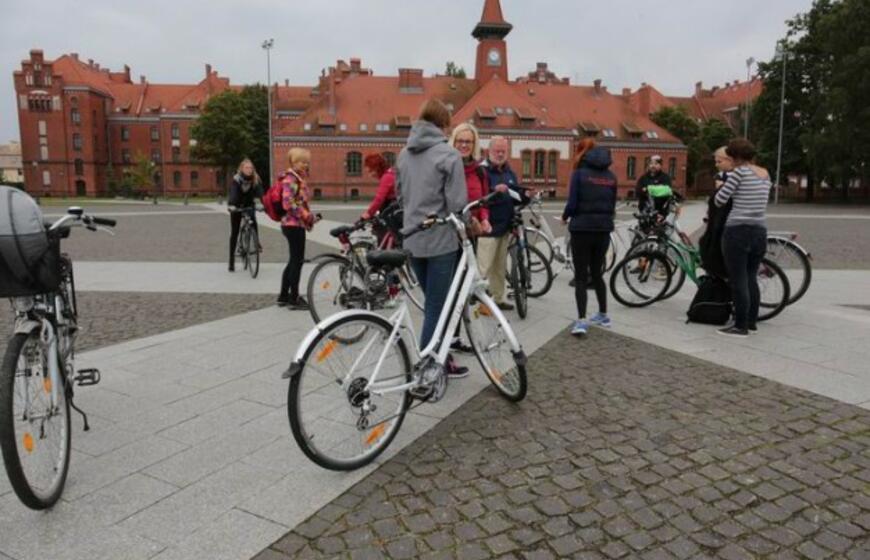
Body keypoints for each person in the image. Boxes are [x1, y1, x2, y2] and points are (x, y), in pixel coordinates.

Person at [396, 99, 469, 377]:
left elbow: (400, 196)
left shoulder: (404, 154)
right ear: (443, 125)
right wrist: (468, 226)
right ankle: (427, 368)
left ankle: (442, 357)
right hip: (440, 241)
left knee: (434, 303)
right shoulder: (448, 155)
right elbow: (456, 203)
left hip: (412, 240)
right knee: (438, 306)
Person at [714, 138, 771, 337]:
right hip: (759, 231)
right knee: (751, 277)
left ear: (736, 157)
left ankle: (740, 326)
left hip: (737, 230)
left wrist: (721, 185)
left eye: (731, 156)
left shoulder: (739, 172)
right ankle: (752, 323)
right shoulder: (765, 173)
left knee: (738, 280)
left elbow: (720, 200)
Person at [562, 138, 617, 336]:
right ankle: (603, 314)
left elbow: (573, 203)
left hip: (581, 229)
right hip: (603, 230)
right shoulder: (611, 176)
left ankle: (582, 320)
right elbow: (612, 205)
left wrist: (565, 217)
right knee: (597, 273)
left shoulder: (579, 174)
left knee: (580, 277)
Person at [478, 136, 526, 311]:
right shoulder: (482, 171)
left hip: (505, 228)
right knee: (484, 268)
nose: (500, 154)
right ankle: (481, 303)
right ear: (489, 151)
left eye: (503, 151)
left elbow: (515, 195)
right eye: (497, 150)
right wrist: (493, 191)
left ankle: (498, 299)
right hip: (488, 228)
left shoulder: (509, 172)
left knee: (499, 267)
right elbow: (478, 197)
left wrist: (525, 195)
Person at [277, 148, 316, 310]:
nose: (305, 164)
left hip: (294, 224)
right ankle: (294, 297)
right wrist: (305, 215)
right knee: (297, 261)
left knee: (293, 260)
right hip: (293, 225)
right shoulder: (290, 179)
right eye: (301, 161)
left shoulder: (297, 178)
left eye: (306, 162)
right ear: (293, 161)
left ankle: (284, 295)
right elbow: (288, 203)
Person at [698, 147, 734, 279]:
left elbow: (720, 200)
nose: (716, 165)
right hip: (717, 218)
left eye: (719, 161)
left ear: (730, 160)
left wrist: (721, 188)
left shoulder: (732, 177)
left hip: (723, 221)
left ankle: (717, 279)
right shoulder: (721, 176)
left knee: (709, 247)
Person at [227, 158, 263, 272]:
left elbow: (260, 193)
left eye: (251, 168)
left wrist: (265, 204)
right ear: (242, 168)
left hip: (248, 205)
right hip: (236, 206)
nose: (249, 170)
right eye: (247, 168)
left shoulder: (255, 179)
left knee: (253, 220)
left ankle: (256, 242)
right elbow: (233, 193)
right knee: (234, 232)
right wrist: (232, 205)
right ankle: (231, 260)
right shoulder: (236, 180)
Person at [635, 155, 679, 224]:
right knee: (642, 233)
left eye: (656, 164)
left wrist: (648, 189)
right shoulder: (643, 178)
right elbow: (638, 191)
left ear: (660, 165)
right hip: (646, 213)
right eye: (651, 163)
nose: (653, 166)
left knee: (662, 233)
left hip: (661, 213)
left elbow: (667, 191)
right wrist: (657, 190)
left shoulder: (665, 178)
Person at [360, 153, 396, 221]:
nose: (370, 175)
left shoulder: (387, 177)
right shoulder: (391, 173)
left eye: (371, 171)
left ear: (378, 168)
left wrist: (369, 213)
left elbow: (379, 198)